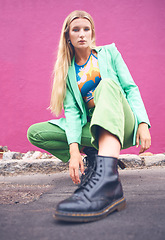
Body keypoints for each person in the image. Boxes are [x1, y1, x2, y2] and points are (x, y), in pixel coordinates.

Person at [27, 10, 151, 222]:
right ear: (68, 35)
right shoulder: (67, 71)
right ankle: (95, 159)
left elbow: (130, 88)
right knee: (36, 133)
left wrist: (142, 123)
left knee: (107, 85)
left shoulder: (109, 53)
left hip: (121, 118)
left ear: (92, 32)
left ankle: (106, 179)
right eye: (76, 30)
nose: (82, 34)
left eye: (87, 29)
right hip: (92, 124)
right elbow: (73, 112)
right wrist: (74, 151)